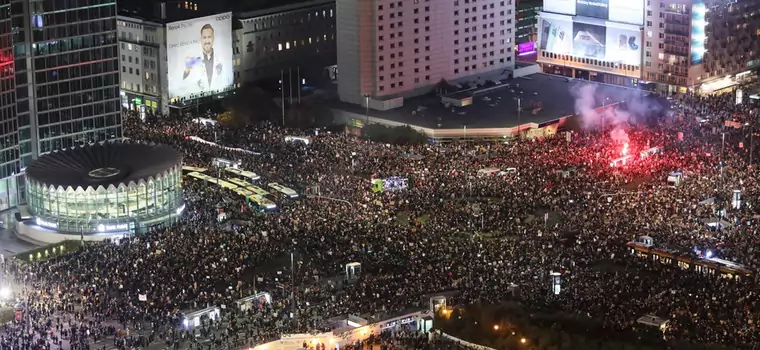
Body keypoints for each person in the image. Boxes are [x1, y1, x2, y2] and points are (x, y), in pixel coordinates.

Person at [181, 23, 232, 94]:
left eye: (209, 37)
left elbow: (228, 79)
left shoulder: (221, 58)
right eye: (204, 37)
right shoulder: (194, 60)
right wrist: (186, 71)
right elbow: (183, 82)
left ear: (213, 38)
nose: (207, 41)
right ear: (201, 39)